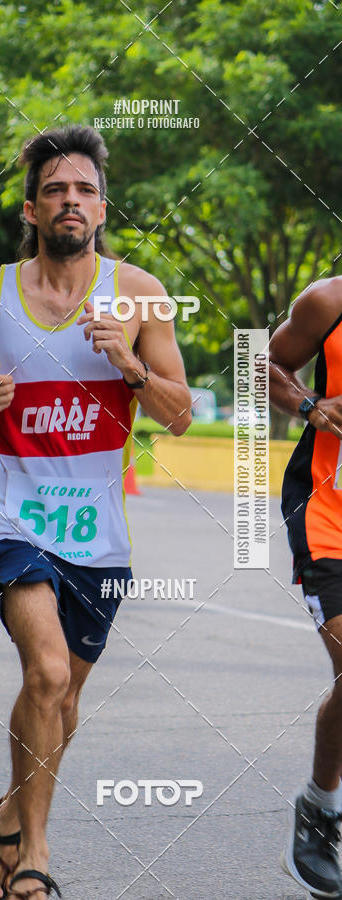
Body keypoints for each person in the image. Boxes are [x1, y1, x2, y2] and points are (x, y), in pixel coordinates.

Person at [0, 125, 192, 900]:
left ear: (103, 208)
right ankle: (35, 857)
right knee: (46, 671)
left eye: (83, 190)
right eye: (55, 190)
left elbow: (179, 412)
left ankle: (6, 814)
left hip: (99, 533)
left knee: (63, 699)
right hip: (12, 515)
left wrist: (129, 364)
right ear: (31, 208)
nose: (70, 201)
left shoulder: (141, 294)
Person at [270, 277, 342, 898]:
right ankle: (321, 807)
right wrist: (310, 406)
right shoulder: (328, 302)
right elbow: (260, 363)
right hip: (329, 514)